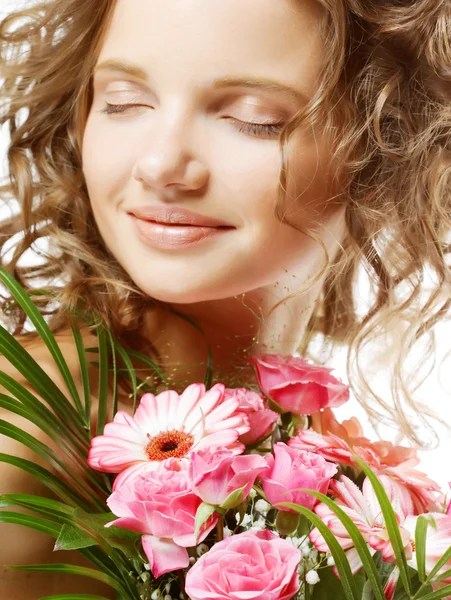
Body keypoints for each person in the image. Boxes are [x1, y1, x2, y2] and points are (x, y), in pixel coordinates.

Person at [0, 0, 449, 597]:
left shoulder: (301, 428)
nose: (161, 165)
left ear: (390, 147)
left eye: (252, 118)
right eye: (123, 103)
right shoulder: (33, 421)